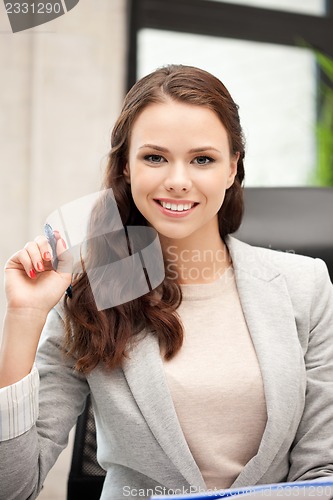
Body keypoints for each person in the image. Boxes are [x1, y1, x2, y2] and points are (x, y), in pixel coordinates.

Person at [0, 64, 333, 500]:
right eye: (155, 157)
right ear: (125, 166)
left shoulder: (305, 287)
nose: (178, 181)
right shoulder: (91, 296)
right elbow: (13, 488)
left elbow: (323, 473)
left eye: (203, 159)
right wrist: (24, 317)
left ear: (232, 169)